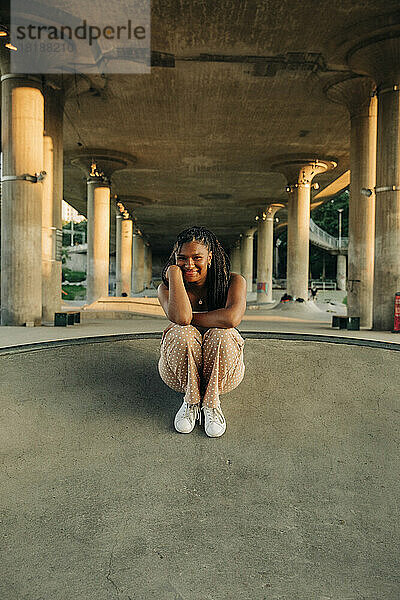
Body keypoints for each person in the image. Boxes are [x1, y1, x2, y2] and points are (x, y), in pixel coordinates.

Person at [157, 226, 247, 438]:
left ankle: (212, 404)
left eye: (197, 257)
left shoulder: (233, 282)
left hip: (224, 375)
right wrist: (173, 273)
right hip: (178, 376)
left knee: (222, 333)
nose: (189, 264)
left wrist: (190, 319)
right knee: (182, 333)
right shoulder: (166, 288)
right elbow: (181, 319)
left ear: (210, 257)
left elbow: (231, 318)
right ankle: (191, 401)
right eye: (181, 258)